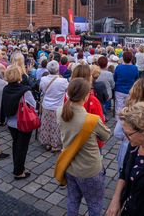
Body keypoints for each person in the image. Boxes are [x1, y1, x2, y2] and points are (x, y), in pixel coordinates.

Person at [56, 77, 111, 216]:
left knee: (72, 201)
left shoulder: (59, 111)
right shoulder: (92, 120)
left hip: (70, 167)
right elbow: (106, 136)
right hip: (90, 170)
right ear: (86, 96)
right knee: (94, 205)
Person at [0, 65, 35, 179]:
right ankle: (19, 171)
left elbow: (3, 105)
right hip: (23, 122)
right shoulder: (25, 90)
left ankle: (18, 167)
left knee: (16, 144)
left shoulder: (6, 89)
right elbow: (33, 105)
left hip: (11, 122)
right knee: (22, 148)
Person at [39, 61, 68, 152]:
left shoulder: (43, 79)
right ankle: (55, 144)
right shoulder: (63, 81)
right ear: (57, 69)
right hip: (58, 107)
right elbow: (68, 90)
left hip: (47, 105)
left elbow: (41, 89)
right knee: (56, 125)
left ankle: (47, 143)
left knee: (46, 124)